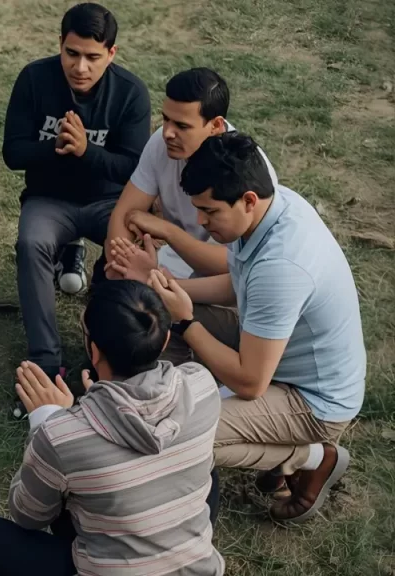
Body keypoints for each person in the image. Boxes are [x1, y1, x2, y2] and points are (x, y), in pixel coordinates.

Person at [147, 132, 365, 523]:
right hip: (274, 354)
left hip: (313, 400)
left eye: (209, 211)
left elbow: (250, 382)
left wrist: (185, 320)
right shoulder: (273, 208)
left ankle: (313, 456)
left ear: (248, 200)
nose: (200, 220)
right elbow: (237, 284)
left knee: (183, 436)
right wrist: (168, 291)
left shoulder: (283, 265)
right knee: (155, 318)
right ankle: (174, 399)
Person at [0, 280, 223, 575]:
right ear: (166, 340)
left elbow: (27, 515)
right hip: (199, 570)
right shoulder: (203, 386)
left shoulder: (61, 436)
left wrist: (48, 419)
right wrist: (98, 403)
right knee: (207, 472)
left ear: (94, 351)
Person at [4, 2, 151, 403]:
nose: (80, 67)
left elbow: (132, 168)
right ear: (60, 45)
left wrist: (86, 150)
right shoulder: (35, 78)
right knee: (31, 244)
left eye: (92, 57)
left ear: (112, 54)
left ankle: (112, 353)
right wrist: (57, 146)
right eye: (72, 53)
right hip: (49, 200)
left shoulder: (131, 93)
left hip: (109, 205)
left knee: (132, 250)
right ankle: (46, 362)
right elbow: (13, 153)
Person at [104, 68, 278, 281]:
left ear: (215, 125)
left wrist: (167, 232)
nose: (167, 132)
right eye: (166, 119)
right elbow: (125, 212)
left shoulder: (246, 170)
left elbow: (230, 263)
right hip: (175, 260)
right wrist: (120, 261)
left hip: (228, 283)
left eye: (181, 126)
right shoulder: (162, 143)